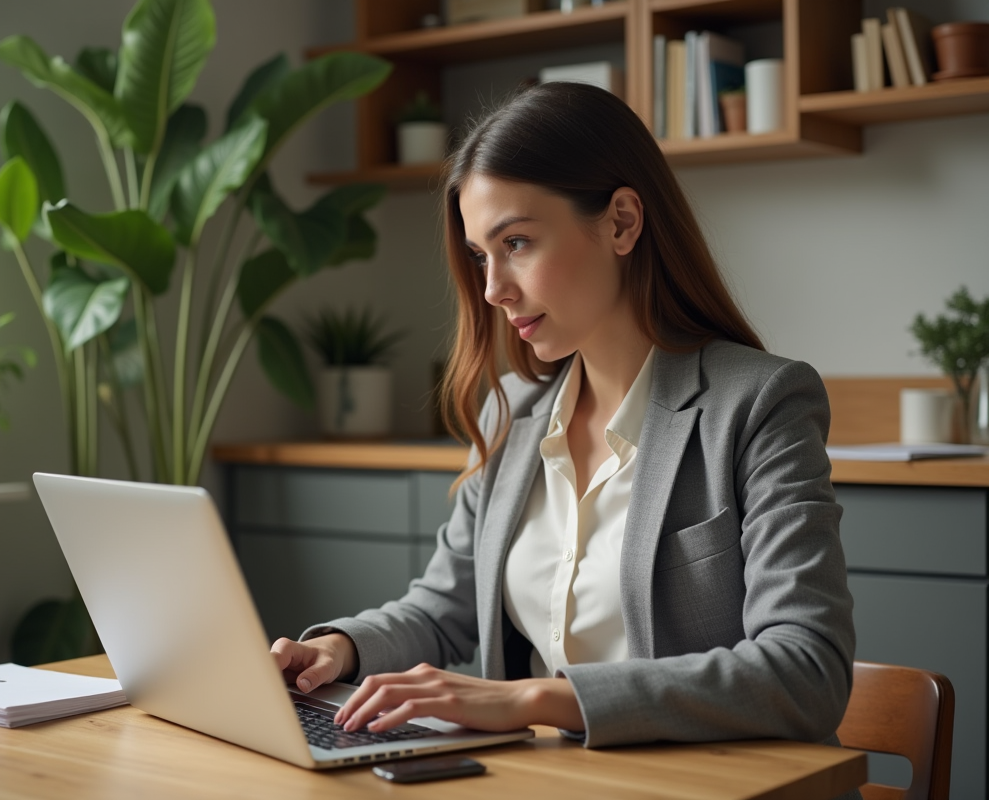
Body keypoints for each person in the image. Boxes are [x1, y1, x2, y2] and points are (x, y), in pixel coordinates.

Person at [271, 82, 855, 758]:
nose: (494, 289)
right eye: (481, 255)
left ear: (622, 222)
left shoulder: (761, 404)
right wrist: (338, 650)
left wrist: (533, 698)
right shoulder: (510, 411)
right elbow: (442, 608)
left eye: (516, 241)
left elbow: (807, 669)